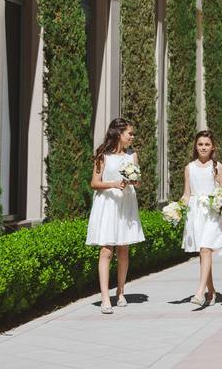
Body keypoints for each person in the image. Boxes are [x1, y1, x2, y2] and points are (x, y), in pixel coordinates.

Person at [86, 118, 145, 314]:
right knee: (106, 250)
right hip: (108, 205)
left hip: (125, 204)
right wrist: (113, 183)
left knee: (124, 249)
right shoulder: (103, 156)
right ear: (119, 134)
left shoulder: (132, 155)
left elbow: (138, 181)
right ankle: (105, 297)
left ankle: (120, 291)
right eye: (130, 133)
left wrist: (133, 181)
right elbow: (94, 183)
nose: (132, 137)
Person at [181, 130, 222, 306]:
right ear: (196, 146)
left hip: (212, 213)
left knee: (206, 249)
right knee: (203, 252)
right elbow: (187, 194)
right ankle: (212, 291)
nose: (203, 147)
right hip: (195, 213)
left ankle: (200, 293)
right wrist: (177, 209)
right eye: (200, 144)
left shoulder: (218, 167)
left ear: (213, 147)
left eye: (207, 144)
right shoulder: (189, 168)